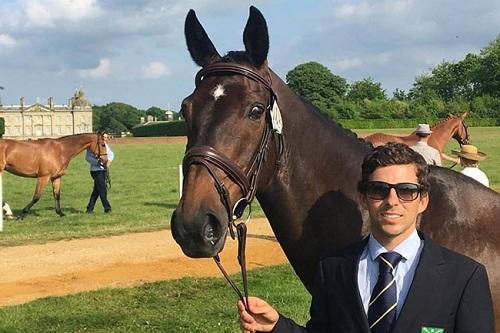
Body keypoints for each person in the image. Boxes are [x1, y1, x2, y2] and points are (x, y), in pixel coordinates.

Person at [237, 142, 494, 333]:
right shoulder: (333, 268)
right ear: (364, 198)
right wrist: (277, 327)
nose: (392, 201)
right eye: (379, 190)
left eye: (406, 191)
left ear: (423, 200)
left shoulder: (464, 277)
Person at [85, 131, 114, 214]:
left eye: (106, 137)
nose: (105, 139)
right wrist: (97, 162)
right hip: (95, 170)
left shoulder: (105, 145)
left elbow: (111, 154)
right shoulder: (92, 146)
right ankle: (107, 208)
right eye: (104, 137)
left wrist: (108, 163)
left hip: (103, 170)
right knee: (102, 189)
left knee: (97, 190)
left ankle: (89, 208)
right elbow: (88, 158)